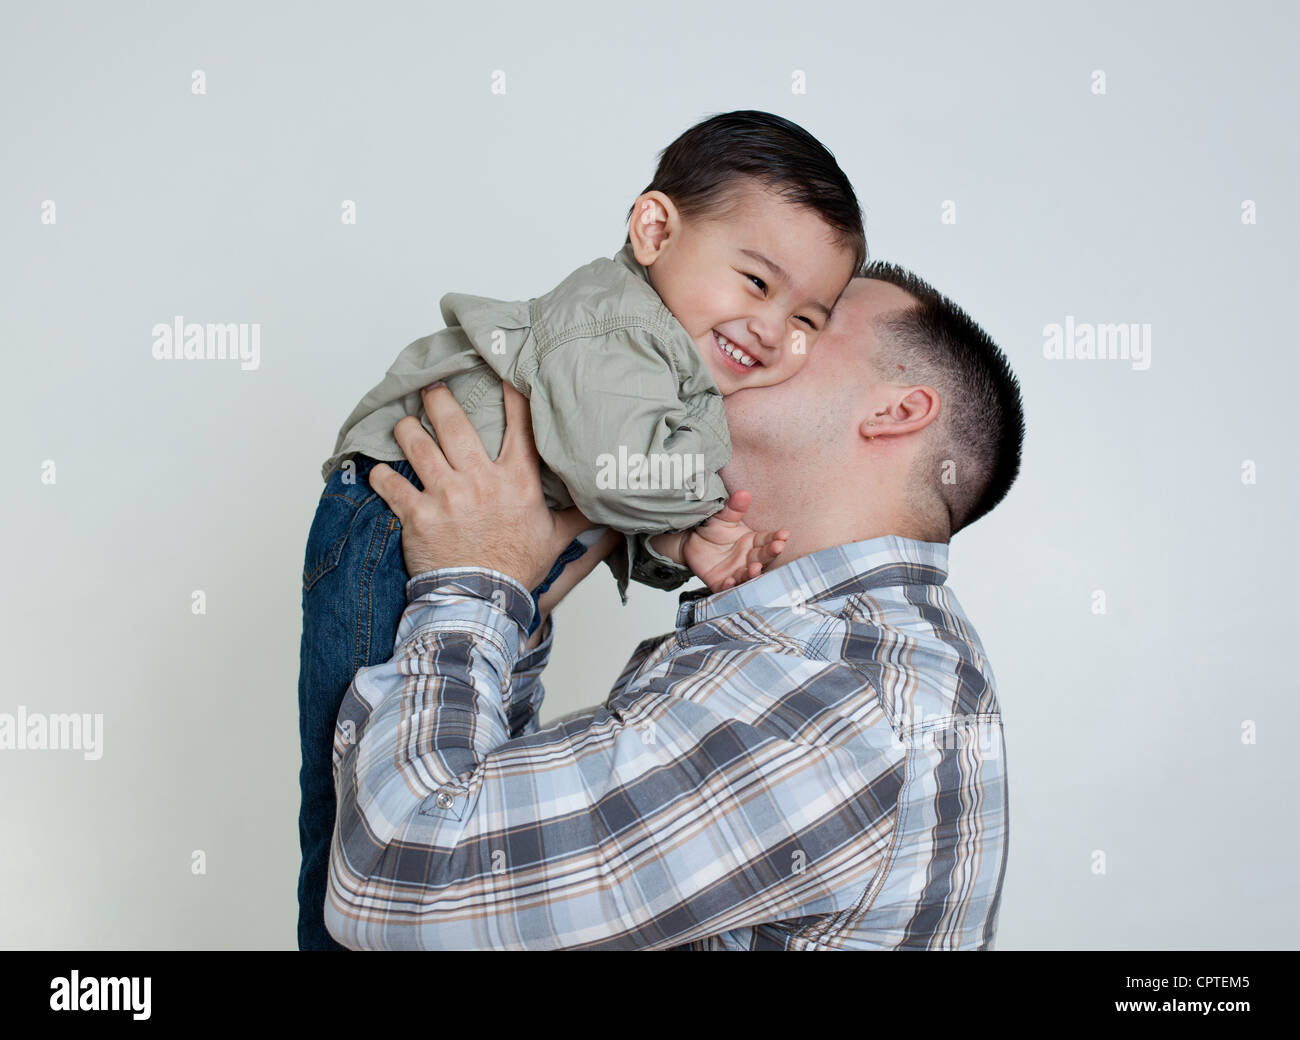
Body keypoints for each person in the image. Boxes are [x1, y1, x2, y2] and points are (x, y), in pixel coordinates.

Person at [322, 264, 1026, 949]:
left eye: (813, 317)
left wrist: (470, 584)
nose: (746, 323)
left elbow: (396, 885)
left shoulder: (837, 697)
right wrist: (517, 611)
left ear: (895, 410)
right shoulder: (830, 659)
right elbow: (513, 890)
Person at [297, 110, 866, 949]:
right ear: (654, 229)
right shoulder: (621, 327)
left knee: (399, 770)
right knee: (358, 787)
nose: (774, 330)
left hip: (443, 534)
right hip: (394, 518)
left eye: (809, 320)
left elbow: (599, 487)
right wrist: (711, 474)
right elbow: (610, 473)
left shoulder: (660, 356)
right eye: (755, 282)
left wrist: (682, 544)